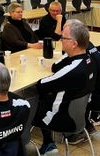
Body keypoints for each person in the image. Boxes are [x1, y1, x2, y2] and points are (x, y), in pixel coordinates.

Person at [33, 19, 96, 155]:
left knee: (28, 102)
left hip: (61, 119)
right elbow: (56, 67)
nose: (61, 40)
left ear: (74, 44)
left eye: (63, 38)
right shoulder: (88, 60)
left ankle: (48, 143)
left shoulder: (72, 71)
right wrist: (67, 55)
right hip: (78, 117)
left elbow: (40, 85)